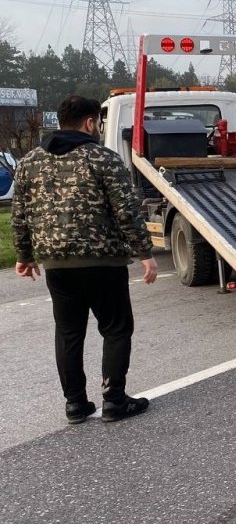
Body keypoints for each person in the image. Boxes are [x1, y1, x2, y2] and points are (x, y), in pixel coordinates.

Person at [11, 95, 158, 424]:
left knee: (68, 332)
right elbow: (126, 209)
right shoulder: (102, 158)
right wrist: (145, 253)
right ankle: (114, 400)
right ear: (90, 122)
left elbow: (19, 216)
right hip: (103, 261)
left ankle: (75, 403)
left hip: (57, 265)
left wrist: (24, 255)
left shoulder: (29, 162)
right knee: (116, 328)